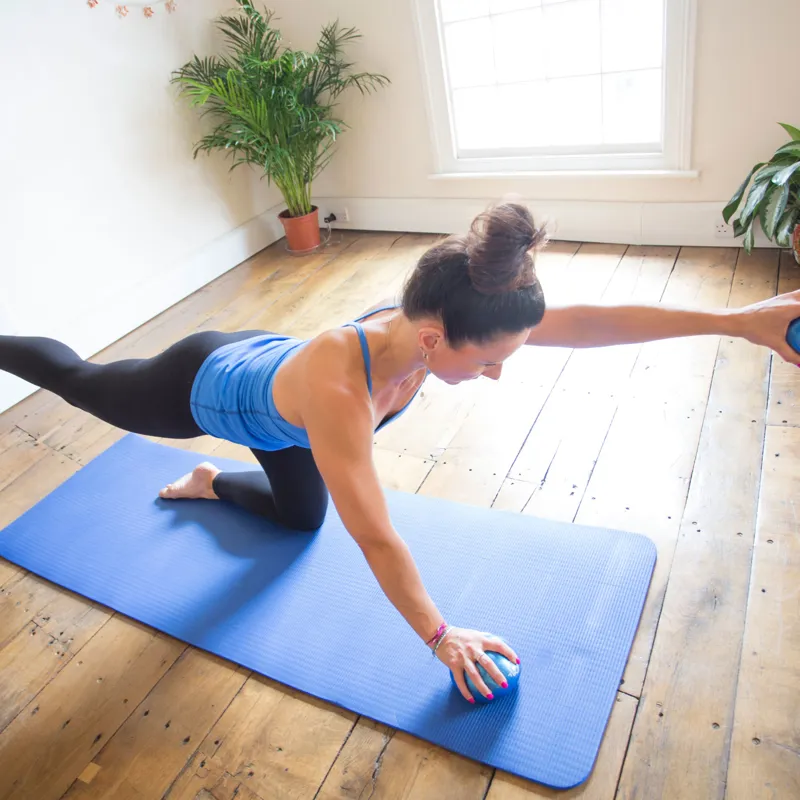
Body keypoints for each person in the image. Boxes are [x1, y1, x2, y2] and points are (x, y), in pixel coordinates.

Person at [1, 203, 799, 703]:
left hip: (280, 411)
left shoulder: (454, 310)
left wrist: (738, 321)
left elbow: (591, 321)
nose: (493, 374)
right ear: (430, 338)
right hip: (203, 381)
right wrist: (440, 634)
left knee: (297, 521)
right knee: (82, 381)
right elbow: (377, 534)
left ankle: (212, 480)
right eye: (488, 360)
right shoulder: (343, 391)